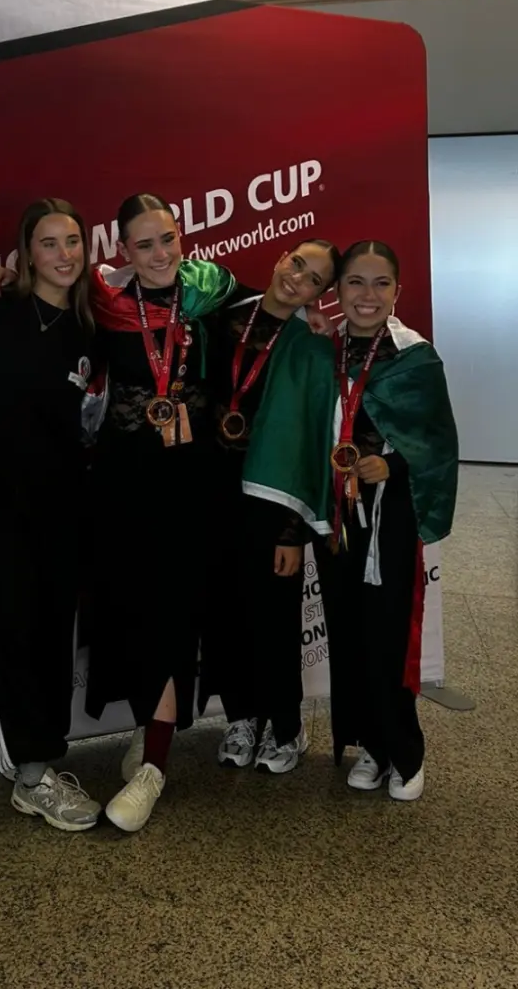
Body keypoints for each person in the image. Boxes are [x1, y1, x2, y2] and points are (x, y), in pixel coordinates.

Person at [244, 240, 458, 801]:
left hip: (388, 517)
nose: (367, 295)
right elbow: (299, 439)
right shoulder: (323, 350)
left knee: (387, 633)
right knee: (348, 632)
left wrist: (388, 463)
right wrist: (295, 525)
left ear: (398, 291)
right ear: (337, 292)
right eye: (355, 283)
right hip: (333, 518)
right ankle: (366, 743)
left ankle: (402, 751)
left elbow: (436, 445)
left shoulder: (415, 357)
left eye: (380, 283)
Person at [80, 193, 237, 833]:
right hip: (126, 485)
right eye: (145, 244)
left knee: (177, 612)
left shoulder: (213, 293)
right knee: (136, 610)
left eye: (168, 238)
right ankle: (155, 729)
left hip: (196, 485)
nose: (161, 253)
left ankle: (156, 762)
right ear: (123, 251)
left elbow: (279, 304)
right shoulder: (101, 304)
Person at [0, 198, 103, 830]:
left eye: (73, 242)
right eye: (49, 243)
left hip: (62, 510)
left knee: (51, 639)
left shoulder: (94, 331)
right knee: (8, 633)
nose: (64, 255)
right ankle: (28, 771)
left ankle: (45, 762)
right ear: (24, 252)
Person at [200, 240, 341, 774]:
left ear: (320, 296)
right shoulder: (221, 315)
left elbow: (309, 438)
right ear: (282, 258)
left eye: (313, 279)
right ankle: (240, 716)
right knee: (222, 609)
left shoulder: (309, 343)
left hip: (271, 498)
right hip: (213, 491)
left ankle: (285, 723)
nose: (297, 278)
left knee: (272, 614)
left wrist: (291, 532)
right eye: (296, 264)